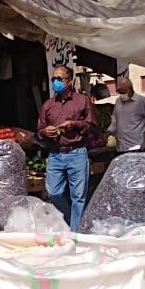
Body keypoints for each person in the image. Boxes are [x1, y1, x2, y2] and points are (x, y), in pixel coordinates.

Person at [37, 66, 95, 230]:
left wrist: (74, 124)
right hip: (55, 154)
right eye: (53, 79)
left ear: (70, 81)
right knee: (53, 192)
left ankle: (76, 233)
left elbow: (92, 126)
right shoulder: (48, 105)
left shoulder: (82, 100)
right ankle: (71, 222)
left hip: (77, 152)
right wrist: (45, 131)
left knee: (78, 196)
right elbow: (39, 130)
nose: (56, 82)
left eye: (59, 79)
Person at [108, 75, 145, 152]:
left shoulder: (140, 100)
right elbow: (115, 120)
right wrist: (109, 131)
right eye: (119, 92)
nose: (121, 94)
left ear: (130, 90)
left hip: (136, 145)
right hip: (121, 146)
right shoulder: (118, 101)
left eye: (123, 92)